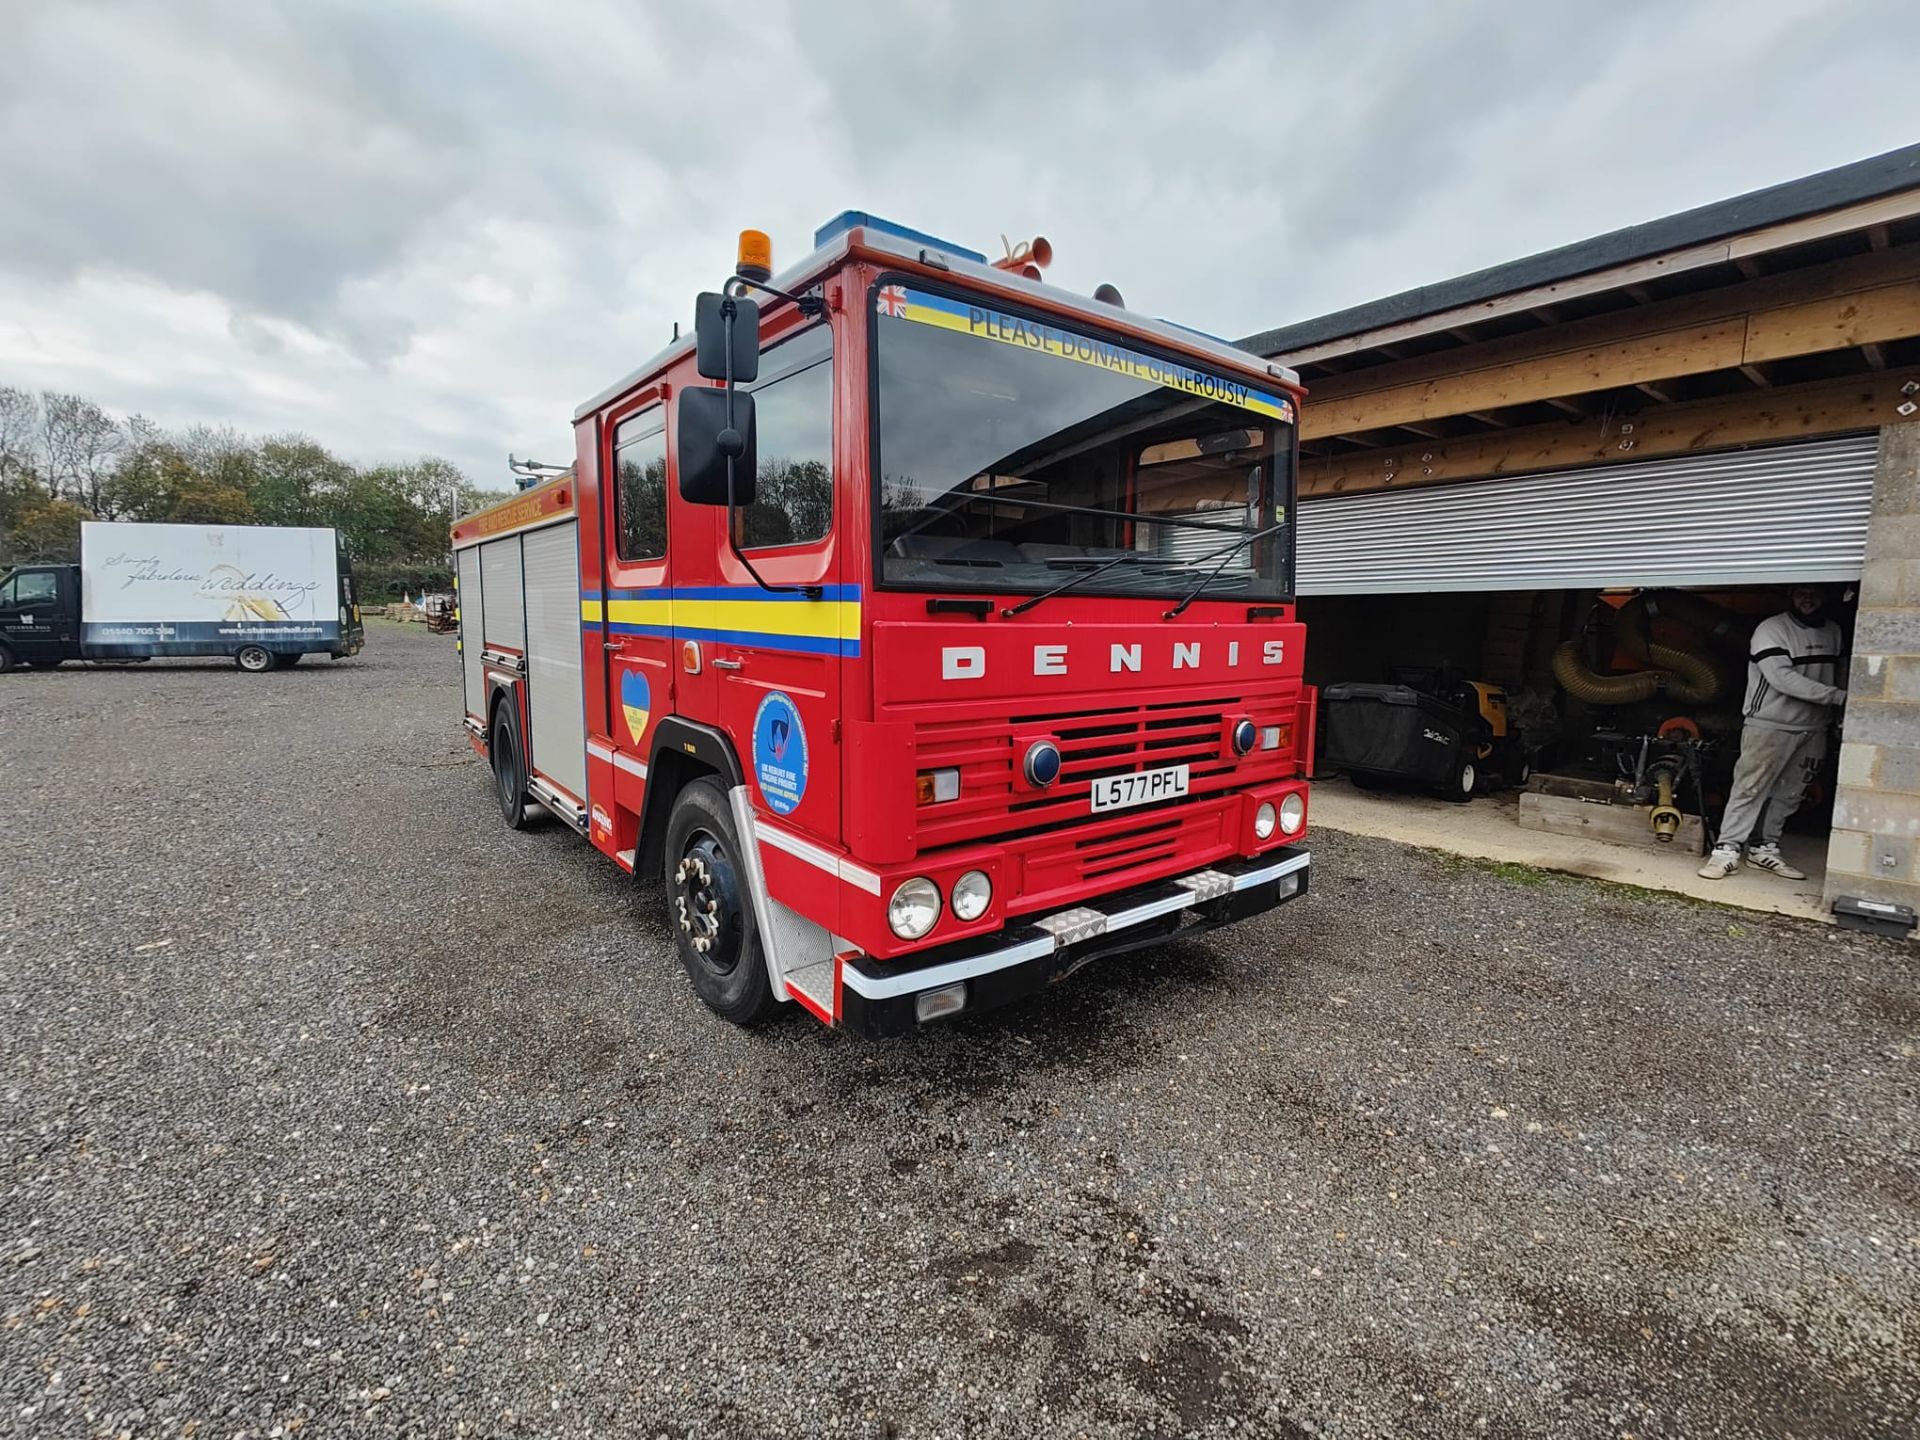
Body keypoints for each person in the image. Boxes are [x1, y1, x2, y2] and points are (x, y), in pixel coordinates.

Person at [1698, 585, 1847, 880]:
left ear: (1826, 595)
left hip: (1814, 727)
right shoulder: (1772, 629)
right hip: (1771, 724)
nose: (1808, 598)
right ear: (1790, 595)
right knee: (1750, 788)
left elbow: (1840, 670)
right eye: (1802, 592)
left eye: (1815, 593)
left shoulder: (1833, 631)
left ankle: (1763, 849)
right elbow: (1782, 678)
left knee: (1790, 794)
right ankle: (1726, 851)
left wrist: (1840, 711)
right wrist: (1839, 697)